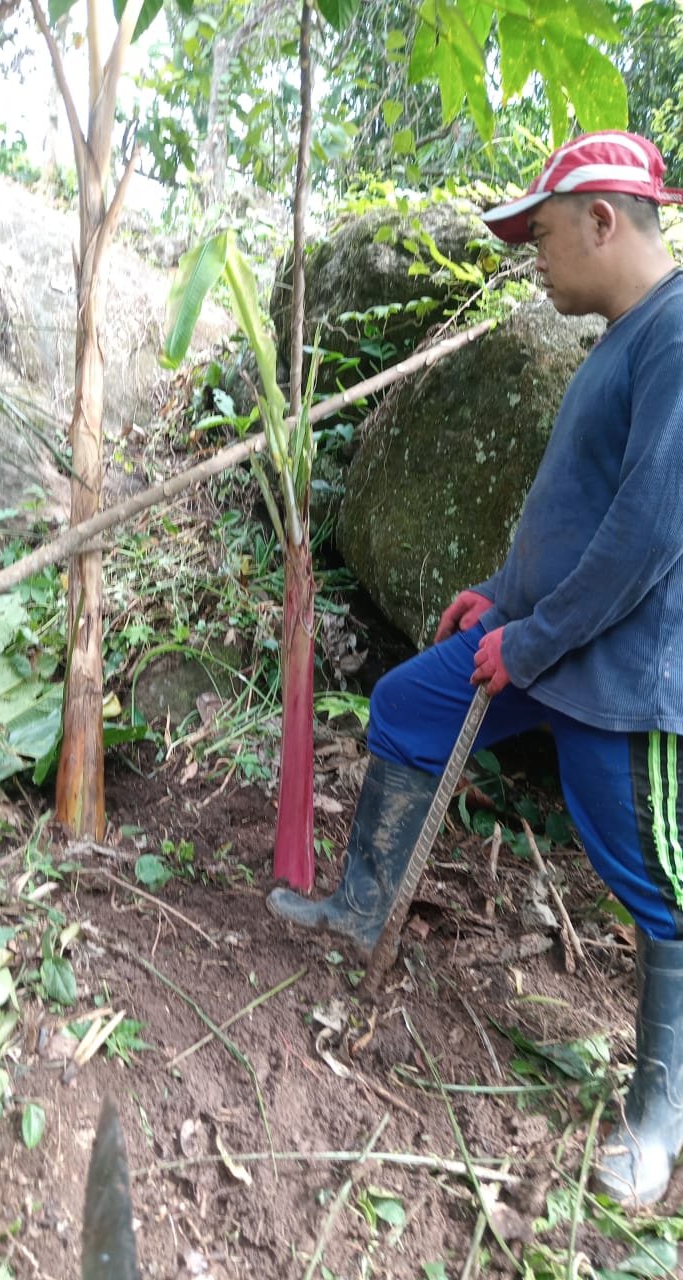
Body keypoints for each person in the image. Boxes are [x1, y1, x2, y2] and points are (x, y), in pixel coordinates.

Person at [267, 130, 683, 1207]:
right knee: (409, 703)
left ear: (604, 219)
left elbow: (644, 538)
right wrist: (502, 594)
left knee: (651, 881)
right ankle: (364, 911)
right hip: (541, 639)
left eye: (542, 235)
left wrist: (530, 641)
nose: (533, 260)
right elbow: (576, 512)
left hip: (618, 671)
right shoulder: (615, 338)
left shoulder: (677, 335)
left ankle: (660, 1106)